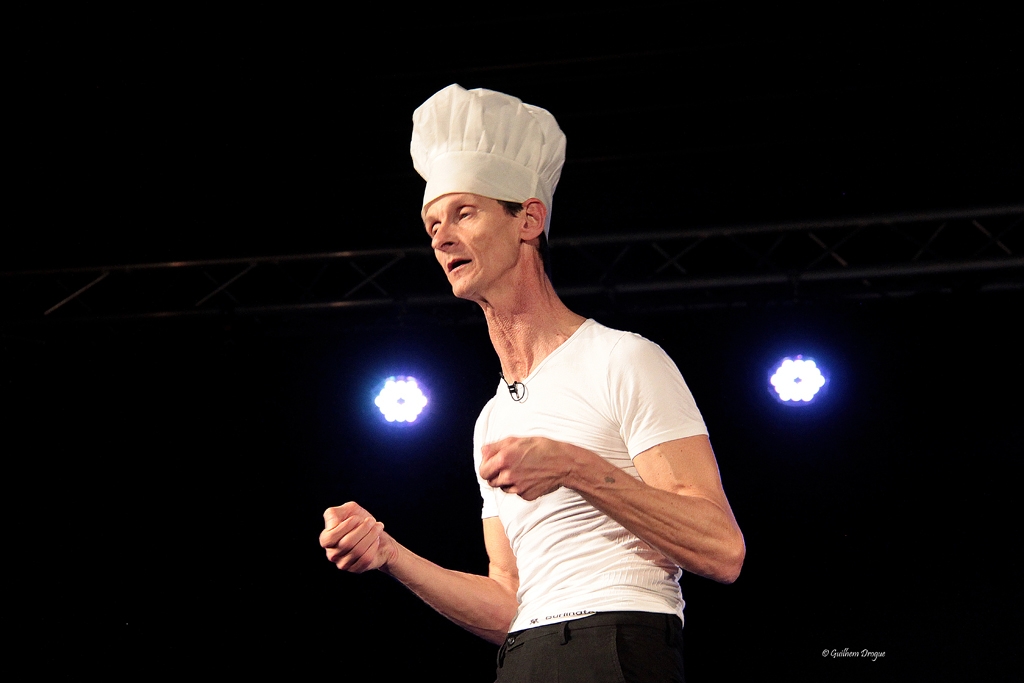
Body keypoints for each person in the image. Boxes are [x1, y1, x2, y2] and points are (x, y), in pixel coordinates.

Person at [320, 84, 745, 682]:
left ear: (529, 219)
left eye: (464, 213)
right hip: (524, 658)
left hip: (618, 644)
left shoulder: (623, 359)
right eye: (432, 222)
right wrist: (391, 555)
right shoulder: (491, 420)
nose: (441, 237)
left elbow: (722, 550)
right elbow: (510, 604)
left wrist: (573, 466)